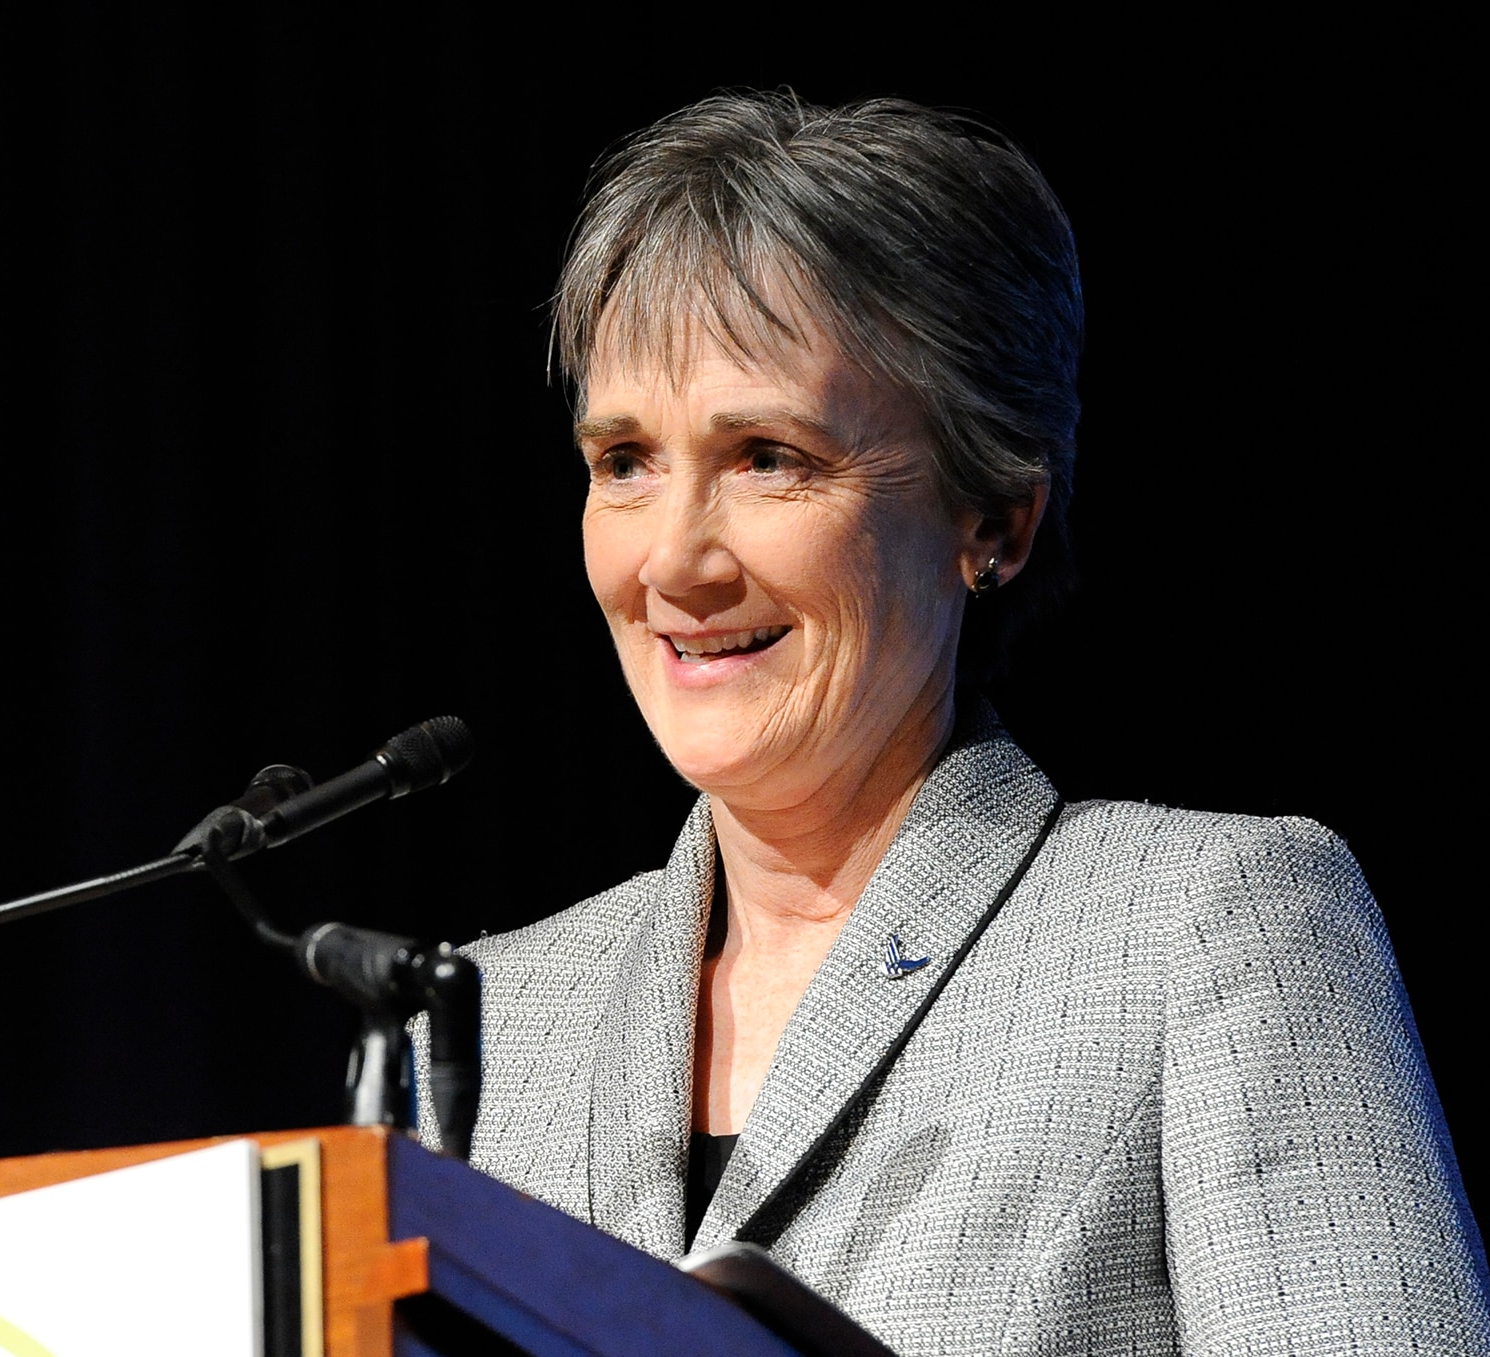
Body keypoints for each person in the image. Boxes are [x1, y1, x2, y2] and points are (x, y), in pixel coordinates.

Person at [419, 93, 1488, 1354]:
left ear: (993, 521)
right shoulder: (486, 1015)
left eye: (767, 454)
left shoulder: (1206, 924)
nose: (673, 561)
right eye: (624, 462)